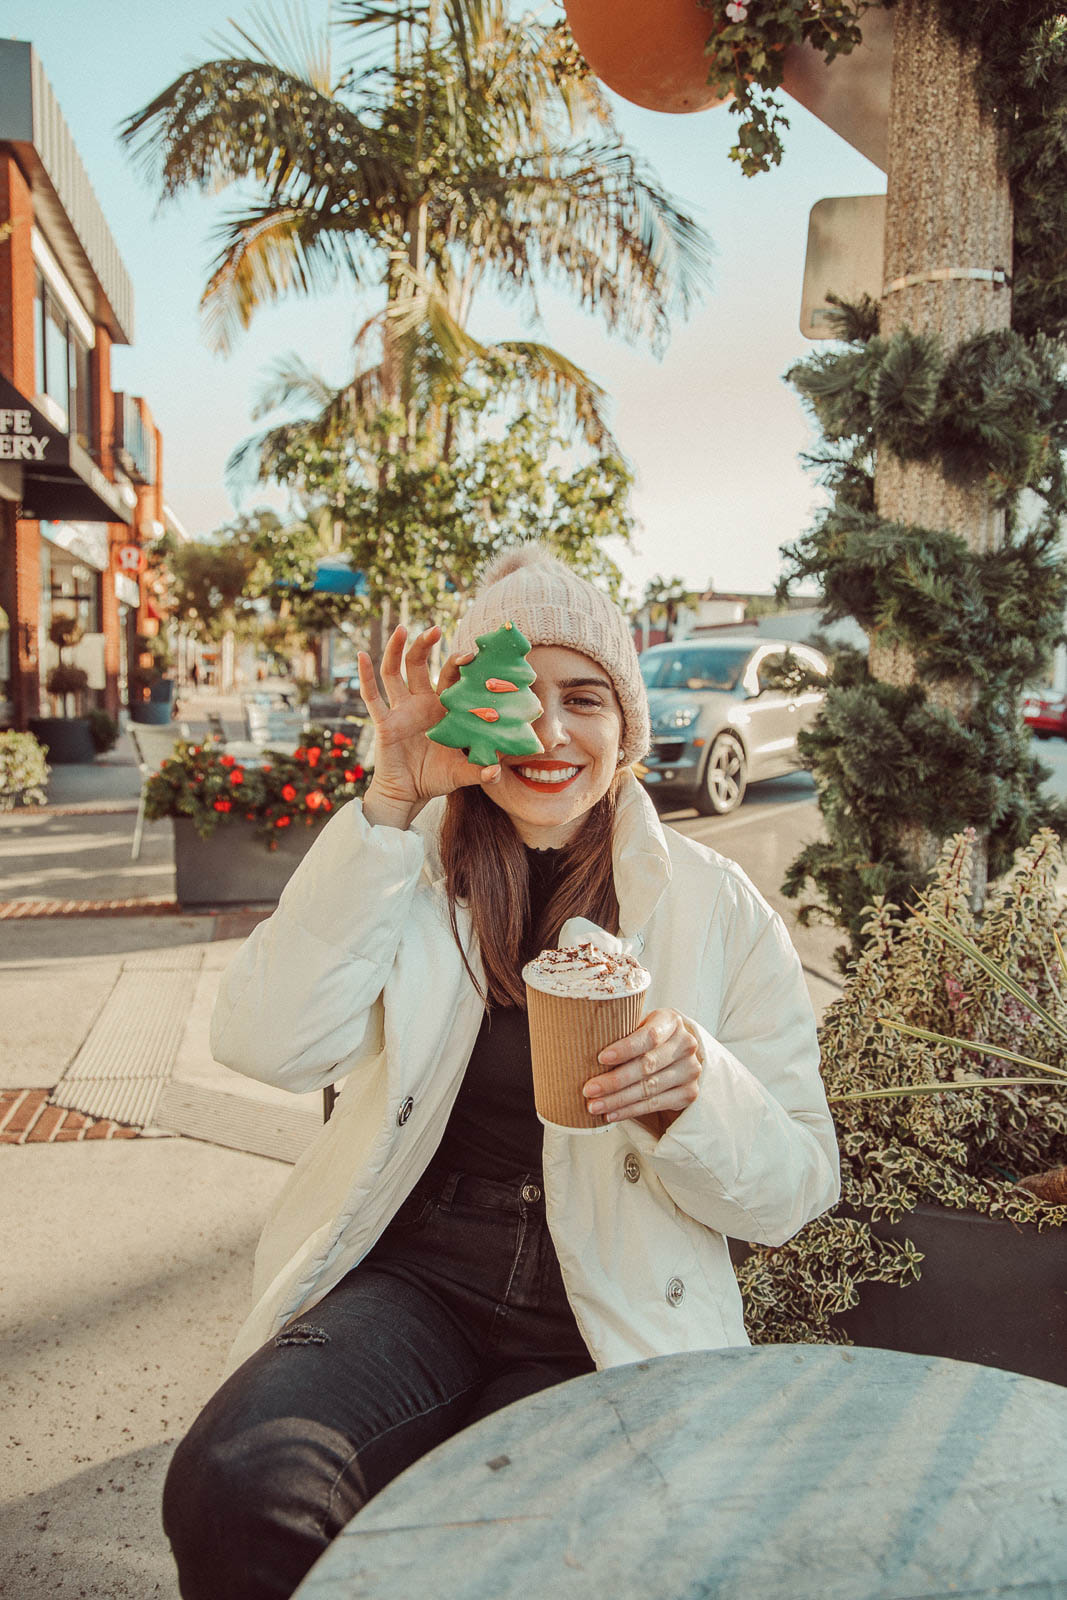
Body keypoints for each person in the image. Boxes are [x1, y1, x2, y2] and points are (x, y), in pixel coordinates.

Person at [162, 545, 840, 1600]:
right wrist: (387, 806)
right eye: (517, 696)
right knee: (236, 1486)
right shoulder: (411, 865)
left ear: (625, 729)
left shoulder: (713, 905)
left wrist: (695, 1094)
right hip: (418, 1273)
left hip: (605, 1295)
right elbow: (266, 1044)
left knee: (511, 1548)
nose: (549, 731)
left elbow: (797, 1185)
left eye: (583, 698)